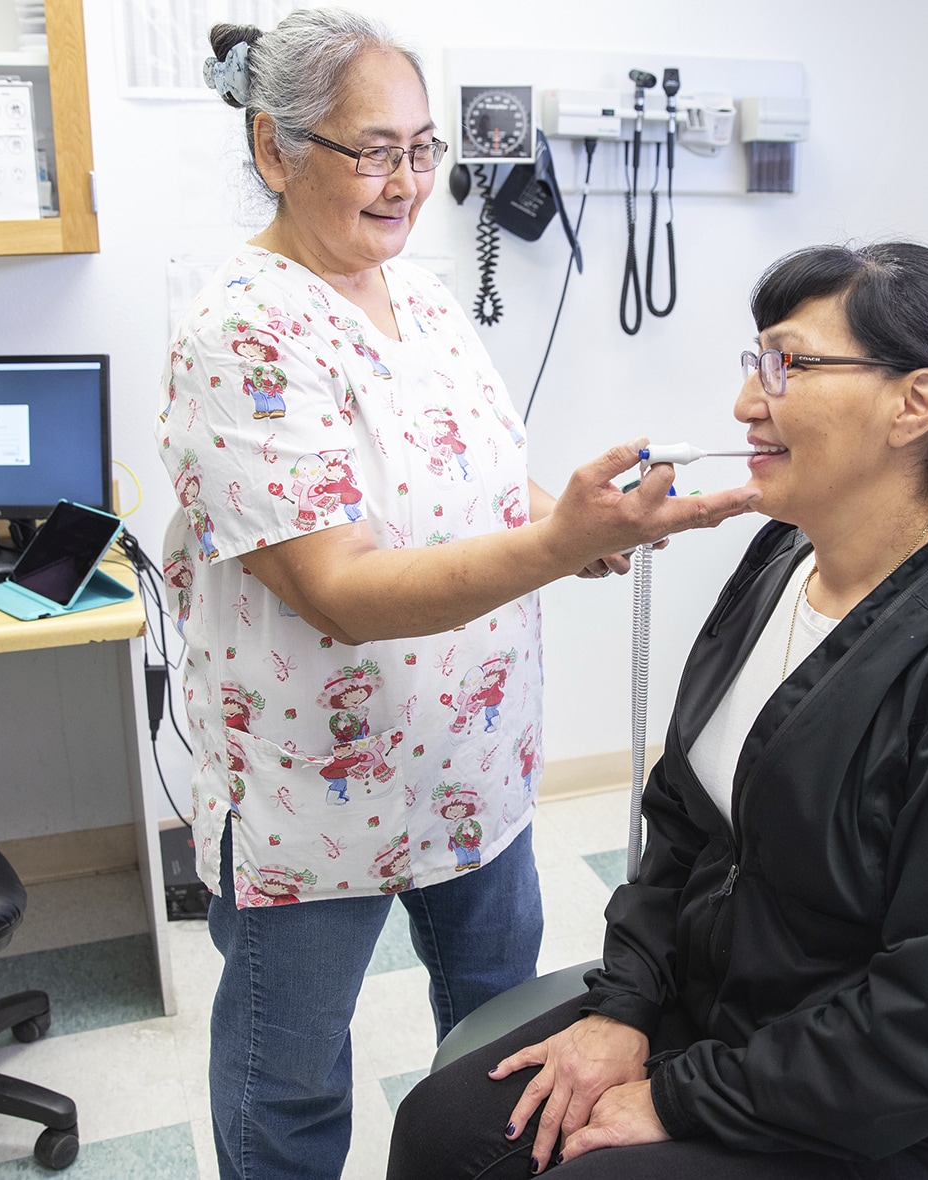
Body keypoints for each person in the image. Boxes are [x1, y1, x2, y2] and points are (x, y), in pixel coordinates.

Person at [155, 10, 759, 1180]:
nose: (408, 183)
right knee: (290, 1082)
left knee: (497, 1052)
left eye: (425, 149)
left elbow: (483, 483)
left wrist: (588, 528)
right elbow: (340, 592)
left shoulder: (423, 296)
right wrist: (555, 543)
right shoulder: (243, 333)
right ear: (277, 151)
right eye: (373, 150)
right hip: (310, 800)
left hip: (471, 761)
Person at [388, 241, 928, 1180]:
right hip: (730, 1009)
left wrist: (678, 1099)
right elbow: (687, 818)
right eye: (753, 361)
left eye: (790, 365)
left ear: (914, 404)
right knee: (440, 1132)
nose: (745, 402)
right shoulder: (781, 560)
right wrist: (624, 1006)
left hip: (892, 1104)